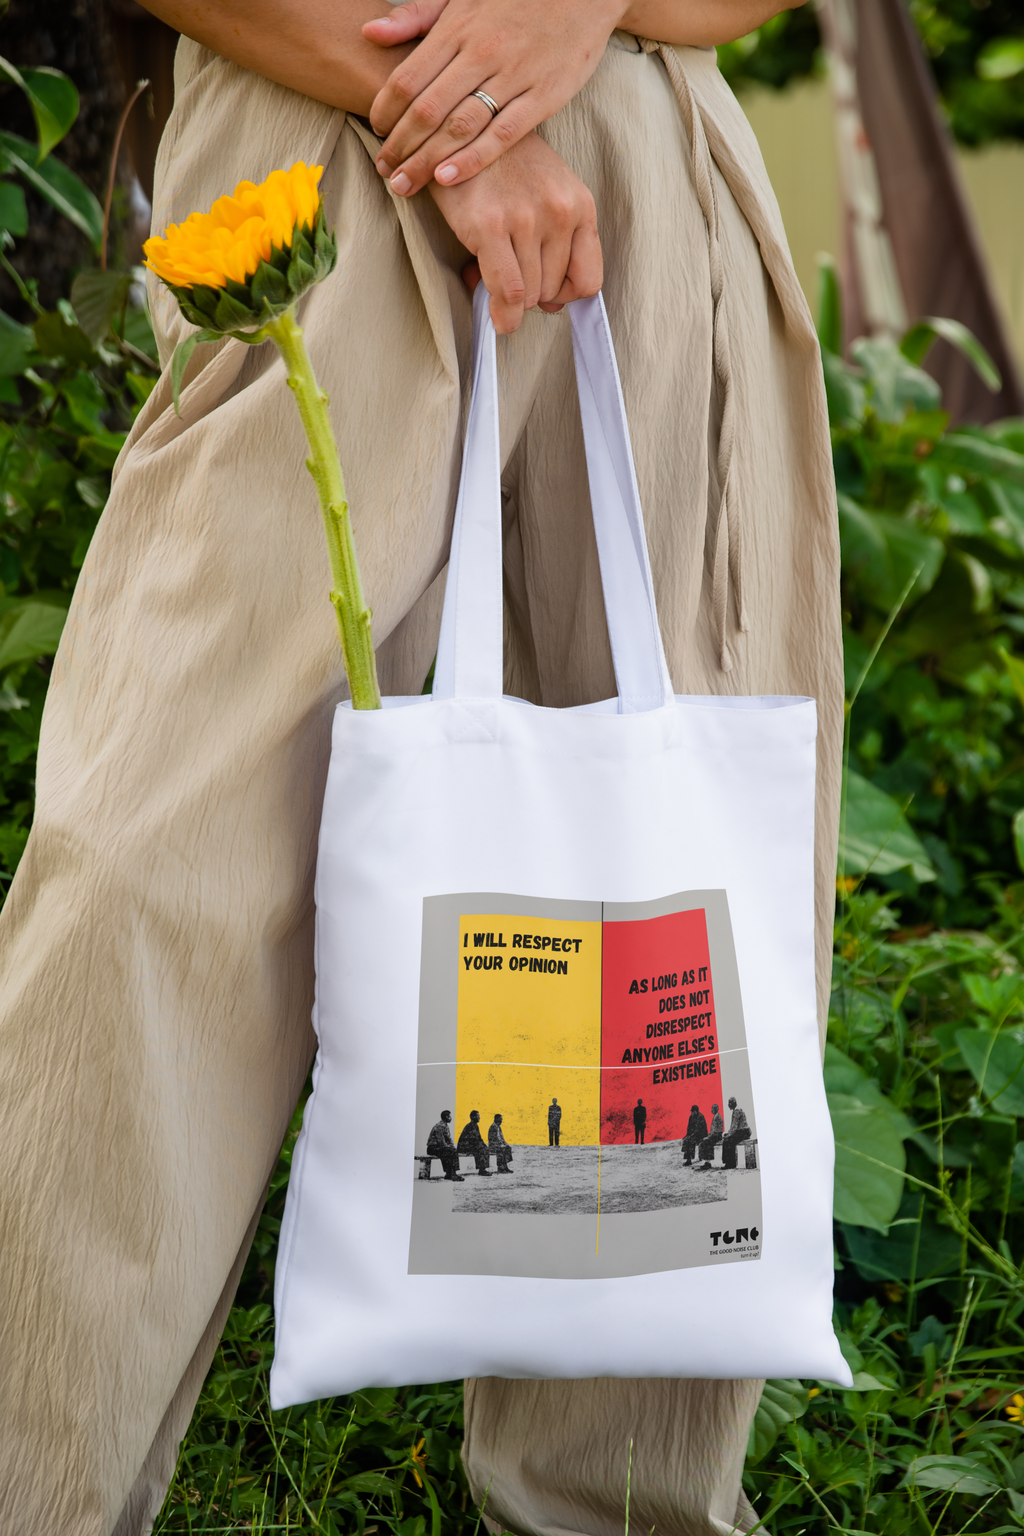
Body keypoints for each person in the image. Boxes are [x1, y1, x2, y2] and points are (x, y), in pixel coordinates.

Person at [0, 0, 843, 1525]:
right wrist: (466, 124)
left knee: (656, 920)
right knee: (140, 875)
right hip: (312, 164)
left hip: (658, 190)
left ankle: (617, 1504)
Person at [426, 1108, 464, 1180]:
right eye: (449, 1116)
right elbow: (441, 1142)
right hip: (432, 1148)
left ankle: (449, 1173)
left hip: (438, 1147)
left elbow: (449, 1139)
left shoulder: (445, 1125)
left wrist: (452, 1147)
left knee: (452, 1151)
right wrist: (449, 1147)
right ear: (446, 1117)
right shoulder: (440, 1126)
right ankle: (453, 1174)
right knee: (450, 1152)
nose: (451, 1118)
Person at [458, 1109, 492, 1175]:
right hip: (464, 1146)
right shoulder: (470, 1126)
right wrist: (480, 1145)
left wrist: (484, 1144)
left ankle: (483, 1169)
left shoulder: (475, 1126)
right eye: (478, 1116)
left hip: (471, 1145)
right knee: (480, 1150)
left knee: (485, 1148)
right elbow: (471, 1139)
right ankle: (482, 1170)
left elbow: (479, 1138)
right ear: (473, 1117)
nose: (479, 1117)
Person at [721, 1096, 752, 1169]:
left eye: (730, 1103)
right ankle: (731, 1163)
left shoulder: (736, 1111)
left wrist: (728, 1135)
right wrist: (728, 1133)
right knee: (729, 1140)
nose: (728, 1105)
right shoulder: (737, 1110)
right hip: (744, 1131)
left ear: (734, 1103)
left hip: (744, 1132)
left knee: (728, 1141)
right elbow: (733, 1127)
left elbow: (734, 1127)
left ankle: (730, 1164)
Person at [697, 1102, 725, 1169]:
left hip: (717, 1135)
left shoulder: (717, 1117)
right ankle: (707, 1162)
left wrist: (708, 1137)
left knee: (706, 1142)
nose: (711, 1110)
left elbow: (715, 1131)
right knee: (705, 1141)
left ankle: (707, 1163)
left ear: (715, 1109)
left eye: (712, 1109)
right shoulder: (716, 1116)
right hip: (716, 1135)